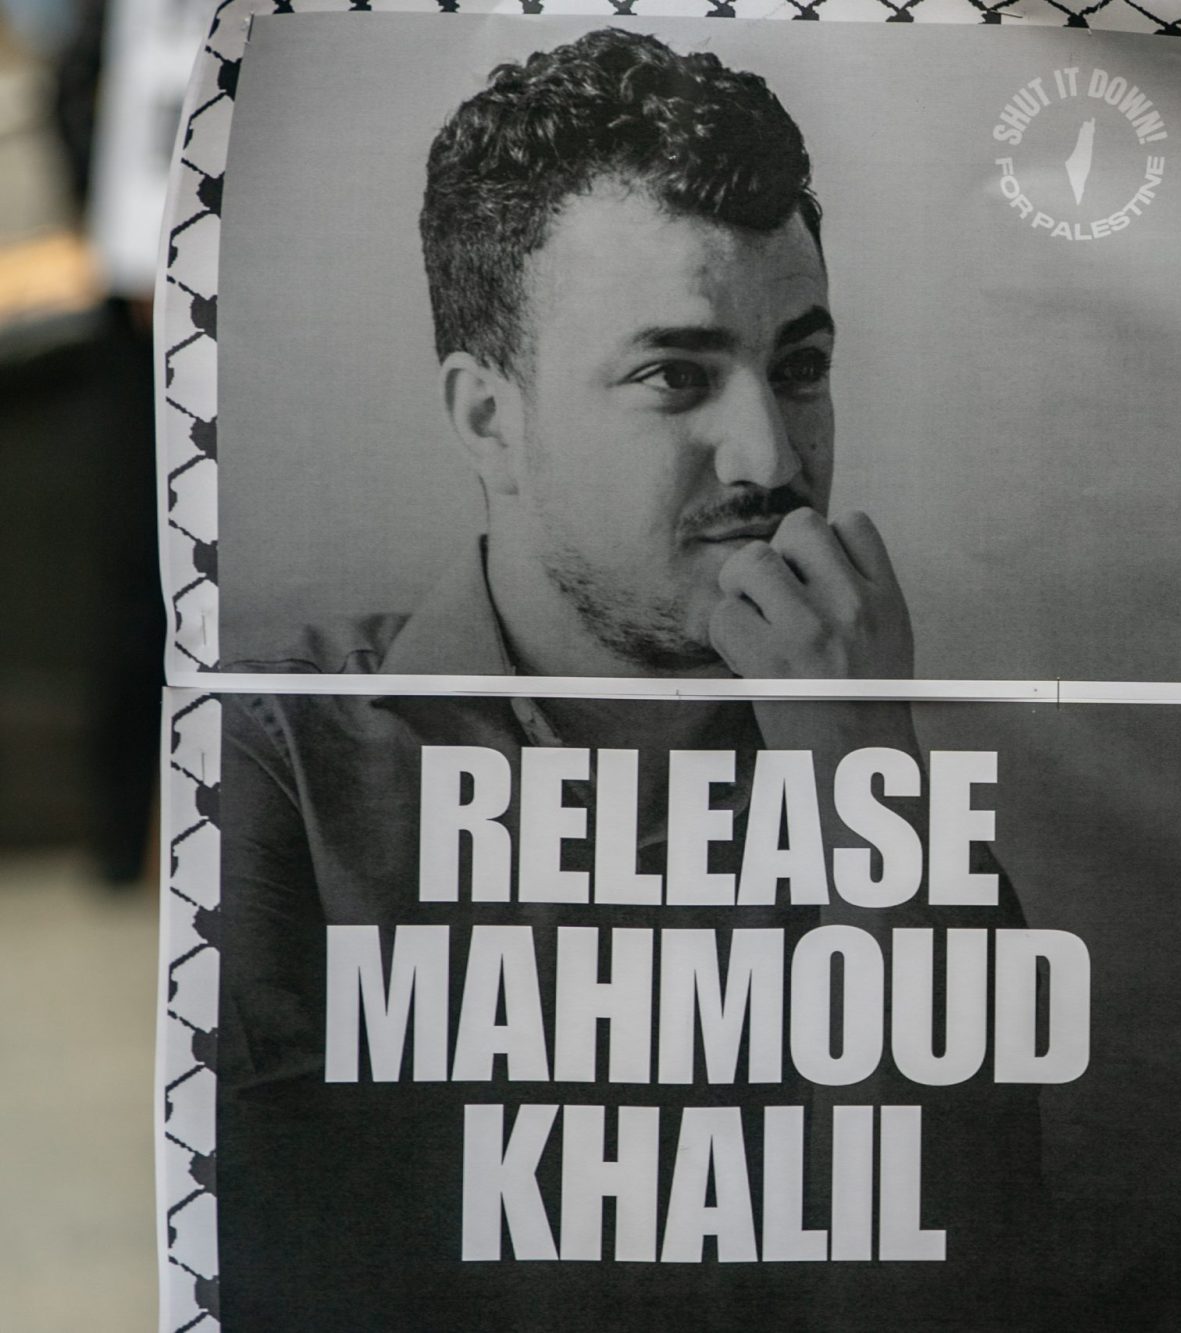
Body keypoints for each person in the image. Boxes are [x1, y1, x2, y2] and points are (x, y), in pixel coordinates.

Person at [211, 30, 1054, 1330]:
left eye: (802, 366)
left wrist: (868, 800)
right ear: (489, 420)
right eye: (675, 374)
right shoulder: (272, 766)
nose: (770, 455)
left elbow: (978, 1293)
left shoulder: (869, 774)